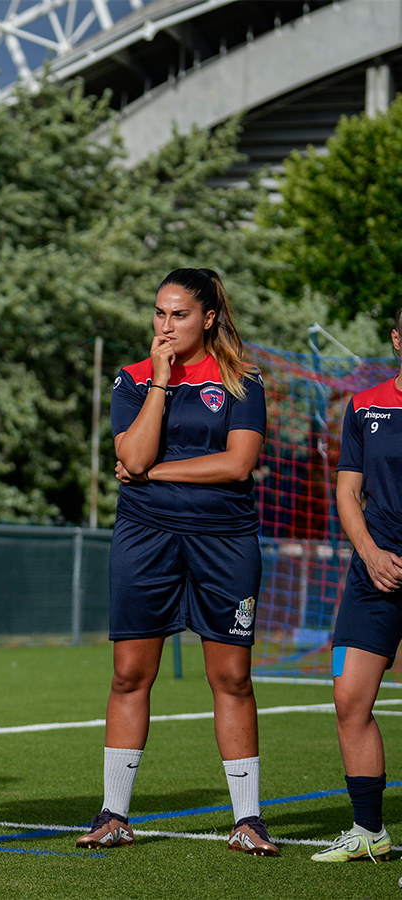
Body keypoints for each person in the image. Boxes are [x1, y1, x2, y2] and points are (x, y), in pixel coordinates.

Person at [77, 268, 278, 856]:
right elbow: (130, 453)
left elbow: (237, 465)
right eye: (159, 314)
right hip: (145, 538)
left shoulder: (243, 379)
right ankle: (114, 815)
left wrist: (155, 472)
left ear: (208, 318)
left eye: (179, 315)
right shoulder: (134, 379)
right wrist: (161, 384)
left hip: (225, 540)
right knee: (129, 675)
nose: (166, 326)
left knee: (232, 678)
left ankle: (249, 821)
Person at [309, 308, 402, 863]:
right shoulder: (365, 405)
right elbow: (348, 493)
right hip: (374, 571)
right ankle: (370, 831)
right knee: (349, 698)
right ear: (397, 338)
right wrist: (369, 553)